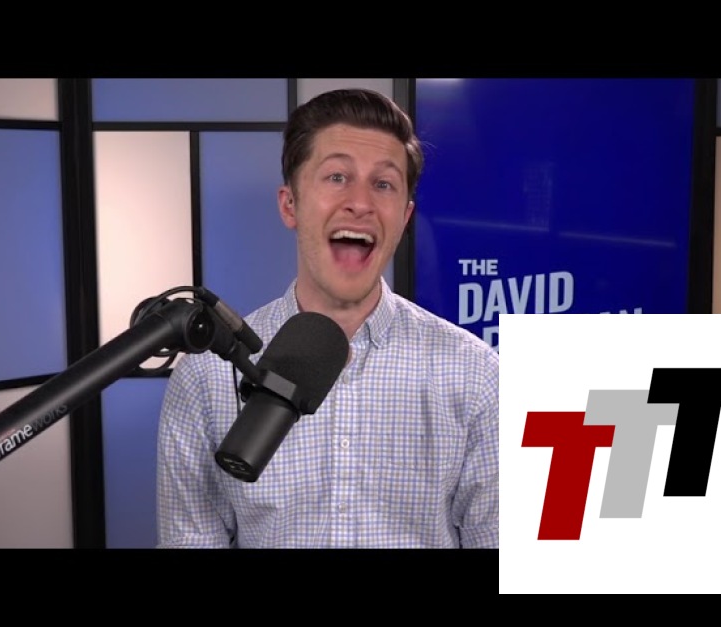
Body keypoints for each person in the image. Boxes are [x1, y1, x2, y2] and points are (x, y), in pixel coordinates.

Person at [156, 88, 499, 548]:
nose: (360, 202)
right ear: (290, 205)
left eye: (383, 184)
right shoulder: (208, 376)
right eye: (337, 177)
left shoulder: (475, 373)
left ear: (404, 218)